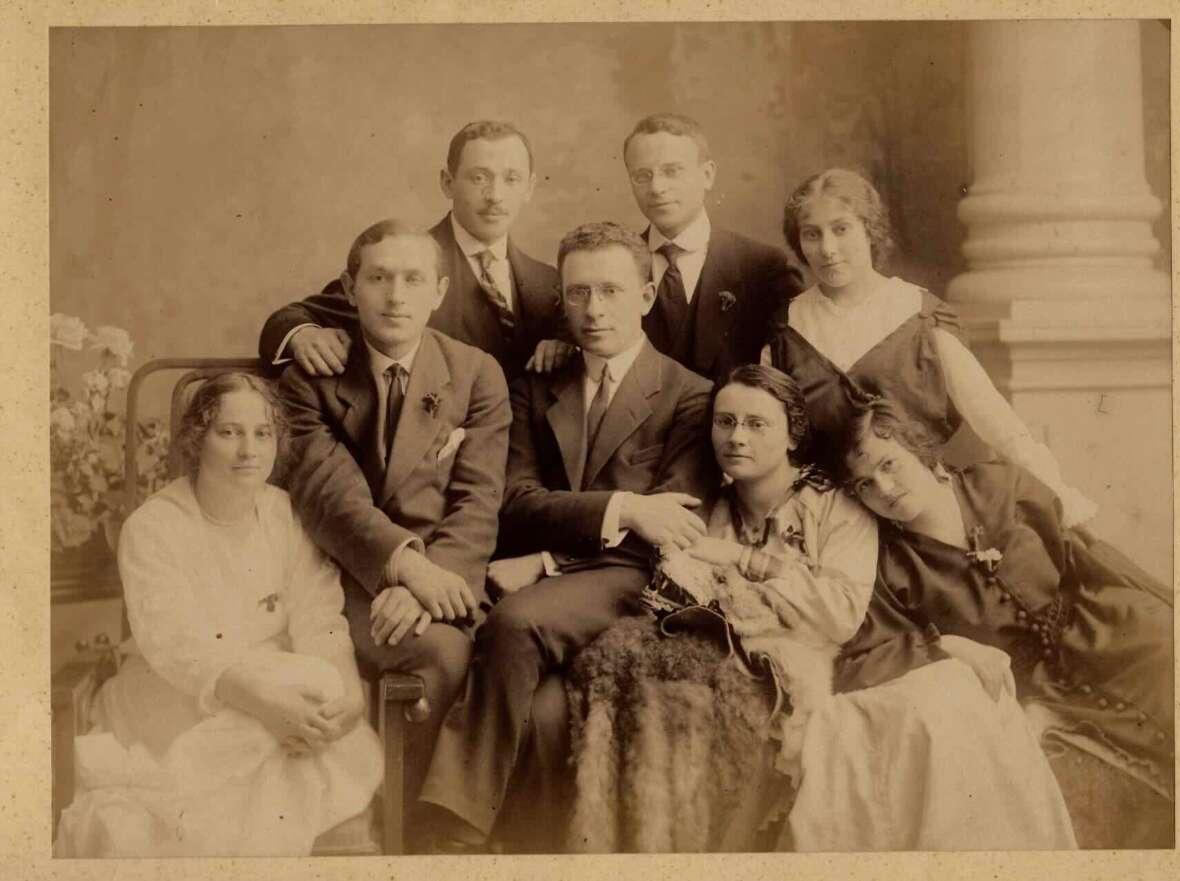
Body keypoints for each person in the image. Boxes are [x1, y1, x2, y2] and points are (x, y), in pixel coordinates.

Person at [563, 365, 1077, 852]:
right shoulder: (710, 505)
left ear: (790, 435)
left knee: (926, 718)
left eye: (756, 424)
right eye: (725, 423)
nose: (737, 437)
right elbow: (693, 591)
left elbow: (839, 611)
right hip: (744, 660)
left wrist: (746, 564)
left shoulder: (836, 504)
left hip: (835, 663)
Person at [417, 221, 716, 851]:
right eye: (578, 293)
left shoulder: (690, 397)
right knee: (547, 711)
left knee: (516, 623)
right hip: (564, 573)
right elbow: (515, 502)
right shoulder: (533, 388)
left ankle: (454, 825)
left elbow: (671, 528)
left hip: (637, 581)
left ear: (646, 292)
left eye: (610, 290)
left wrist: (549, 561)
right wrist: (627, 507)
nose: (593, 309)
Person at [54, 374, 383, 857]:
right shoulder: (154, 526)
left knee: (322, 681)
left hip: (280, 694)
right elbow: (174, 644)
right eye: (228, 433)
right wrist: (264, 701)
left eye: (262, 434)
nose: (248, 450)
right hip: (174, 696)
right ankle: (175, 789)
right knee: (299, 692)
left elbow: (320, 614)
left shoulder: (284, 516)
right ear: (195, 439)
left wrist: (349, 690)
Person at [835, 398, 1174, 847]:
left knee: (1165, 648)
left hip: (1091, 626)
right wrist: (945, 647)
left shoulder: (999, 483)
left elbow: (1073, 552)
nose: (884, 487)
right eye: (865, 485)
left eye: (889, 464)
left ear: (920, 451)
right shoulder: (891, 565)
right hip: (1022, 682)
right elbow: (866, 654)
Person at [276, 220, 511, 848]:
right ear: (351, 290)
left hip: (443, 576)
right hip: (348, 572)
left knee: (447, 647)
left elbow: (477, 503)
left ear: (438, 291)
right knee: (437, 652)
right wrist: (405, 567)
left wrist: (431, 581)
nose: (395, 296)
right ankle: (391, 830)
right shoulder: (312, 379)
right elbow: (330, 499)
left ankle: (425, 833)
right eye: (379, 278)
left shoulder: (475, 373)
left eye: (413, 280)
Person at [766, 167, 1095, 526]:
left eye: (841, 229)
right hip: (830, 522)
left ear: (870, 229)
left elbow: (992, 417)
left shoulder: (918, 315)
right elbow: (769, 439)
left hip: (925, 515)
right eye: (812, 234)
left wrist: (1058, 493)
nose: (827, 249)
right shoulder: (786, 329)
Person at [259, 120, 566, 382]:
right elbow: (289, 320)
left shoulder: (548, 281)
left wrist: (567, 346)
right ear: (448, 182)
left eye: (511, 179)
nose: (496, 196)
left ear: (529, 188)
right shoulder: (406, 260)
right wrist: (304, 336)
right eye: (479, 178)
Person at [623, 113, 804, 380]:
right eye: (642, 175)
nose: (657, 187)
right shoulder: (618, 264)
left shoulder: (764, 268)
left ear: (707, 175)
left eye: (672, 171)